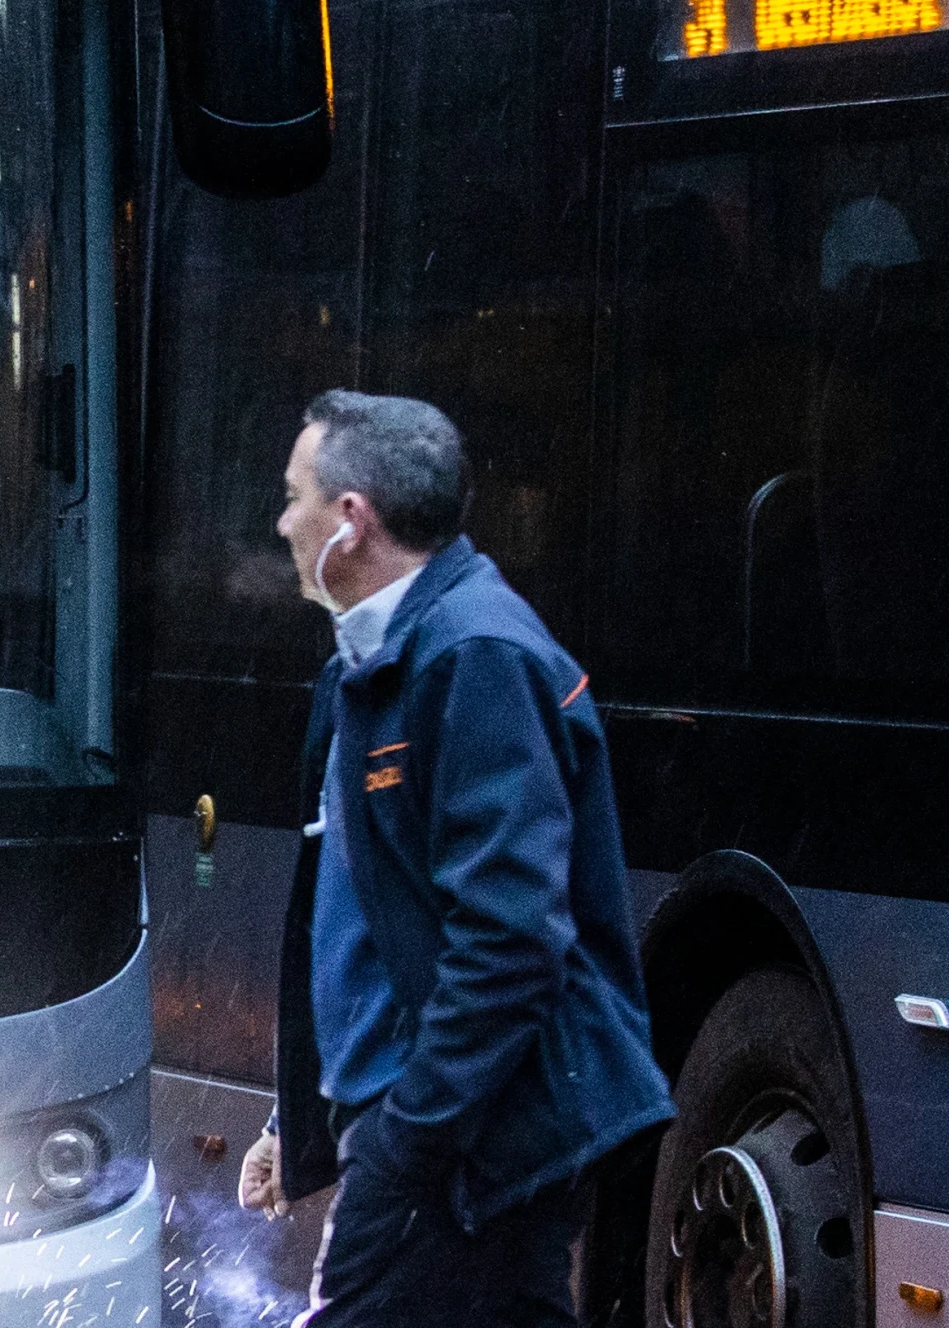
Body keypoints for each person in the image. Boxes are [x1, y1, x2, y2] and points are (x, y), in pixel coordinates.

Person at [236, 390, 669, 1327]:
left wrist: (407, 1142)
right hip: (441, 1131)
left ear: (351, 521)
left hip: (465, 1146)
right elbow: (358, 923)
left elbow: (510, 942)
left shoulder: (474, 659)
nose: (280, 521)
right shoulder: (376, 662)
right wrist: (298, 1119)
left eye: (293, 494)